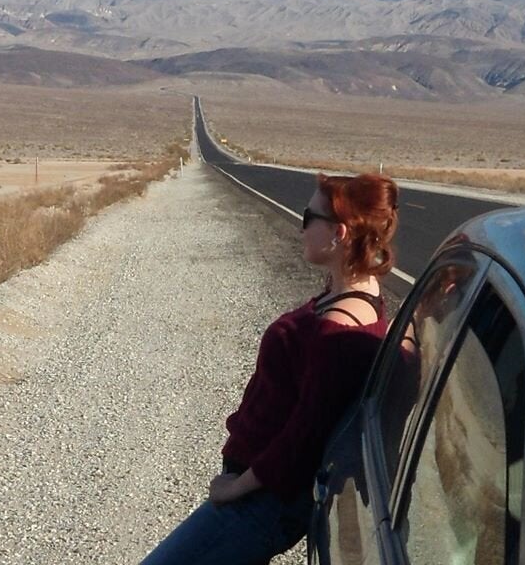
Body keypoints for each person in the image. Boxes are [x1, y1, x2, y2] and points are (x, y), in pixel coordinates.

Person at [139, 172, 399, 565]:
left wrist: (236, 488)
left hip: (262, 504)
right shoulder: (353, 295)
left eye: (309, 216)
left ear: (339, 233)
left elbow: (303, 440)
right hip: (261, 495)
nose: (301, 227)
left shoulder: (341, 331)